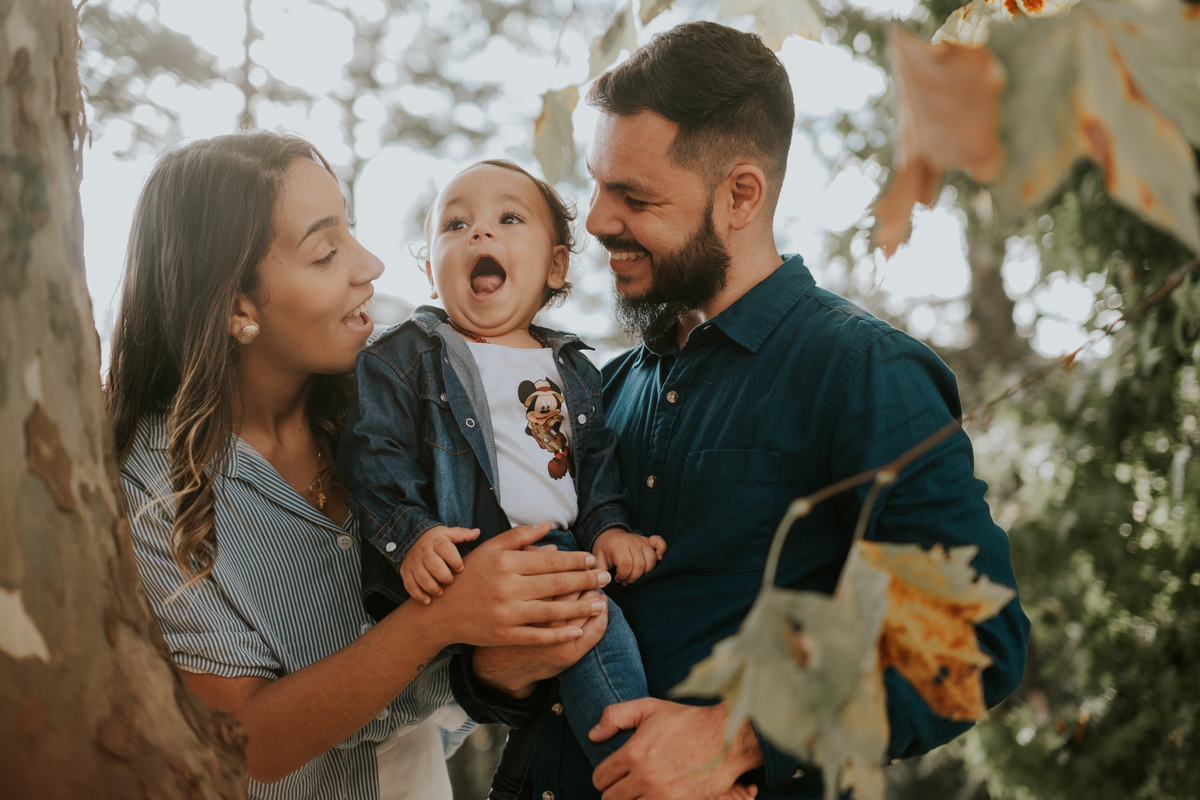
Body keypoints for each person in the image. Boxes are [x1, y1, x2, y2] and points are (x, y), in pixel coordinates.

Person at [451, 21, 1032, 800]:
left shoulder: (861, 370)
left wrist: (742, 734)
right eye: (595, 184)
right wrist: (495, 668)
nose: (593, 220)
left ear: (740, 195)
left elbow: (973, 640)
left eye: (634, 195)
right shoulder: (600, 389)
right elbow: (507, 673)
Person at [107, 132, 610, 800]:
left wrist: (499, 669)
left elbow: (446, 699)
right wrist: (439, 620)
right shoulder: (153, 489)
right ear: (237, 309)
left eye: (352, 229)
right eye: (325, 252)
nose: (369, 264)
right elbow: (248, 740)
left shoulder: (394, 412)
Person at [335, 159, 672, 800]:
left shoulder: (574, 370)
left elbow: (594, 464)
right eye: (456, 224)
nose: (480, 235)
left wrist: (611, 526)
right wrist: (412, 535)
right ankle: (645, 771)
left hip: (558, 549)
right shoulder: (405, 356)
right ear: (431, 267)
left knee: (591, 636)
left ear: (555, 266)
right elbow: (373, 456)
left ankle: (616, 769)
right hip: (475, 559)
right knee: (591, 623)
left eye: (508, 219)